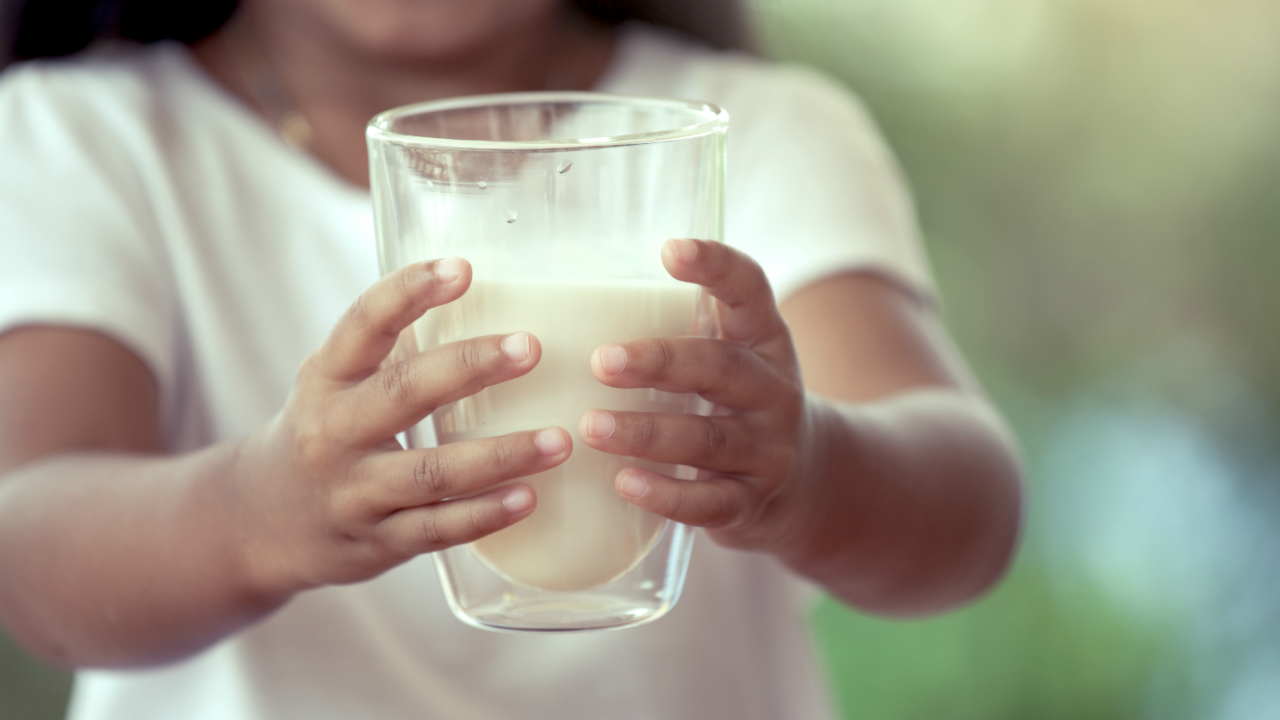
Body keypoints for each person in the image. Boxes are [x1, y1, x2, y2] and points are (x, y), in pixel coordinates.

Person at [0, 0, 1024, 717]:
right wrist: (248, 514)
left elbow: (969, 506)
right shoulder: (79, 137)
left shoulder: (750, 133)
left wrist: (811, 466)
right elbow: (30, 535)